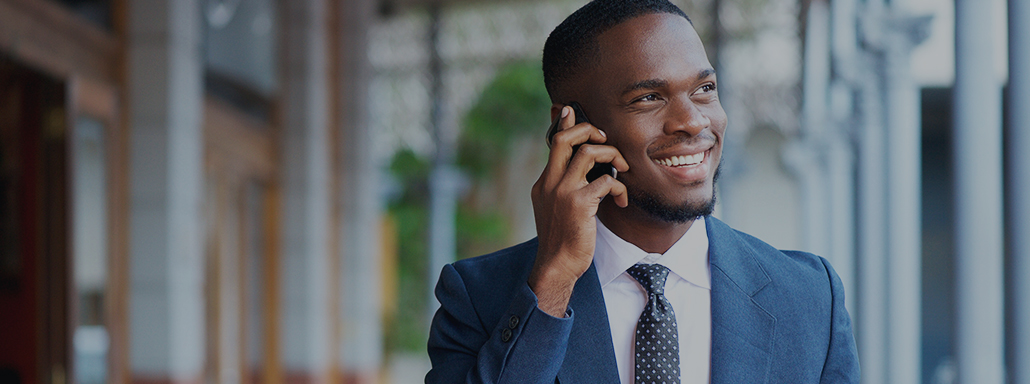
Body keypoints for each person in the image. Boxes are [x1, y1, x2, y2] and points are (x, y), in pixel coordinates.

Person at [425, 0, 860, 383]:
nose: (692, 121)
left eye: (704, 89)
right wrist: (554, 280)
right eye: (649, 98)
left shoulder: (808, 298)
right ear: (570, 126)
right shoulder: (479, 299)